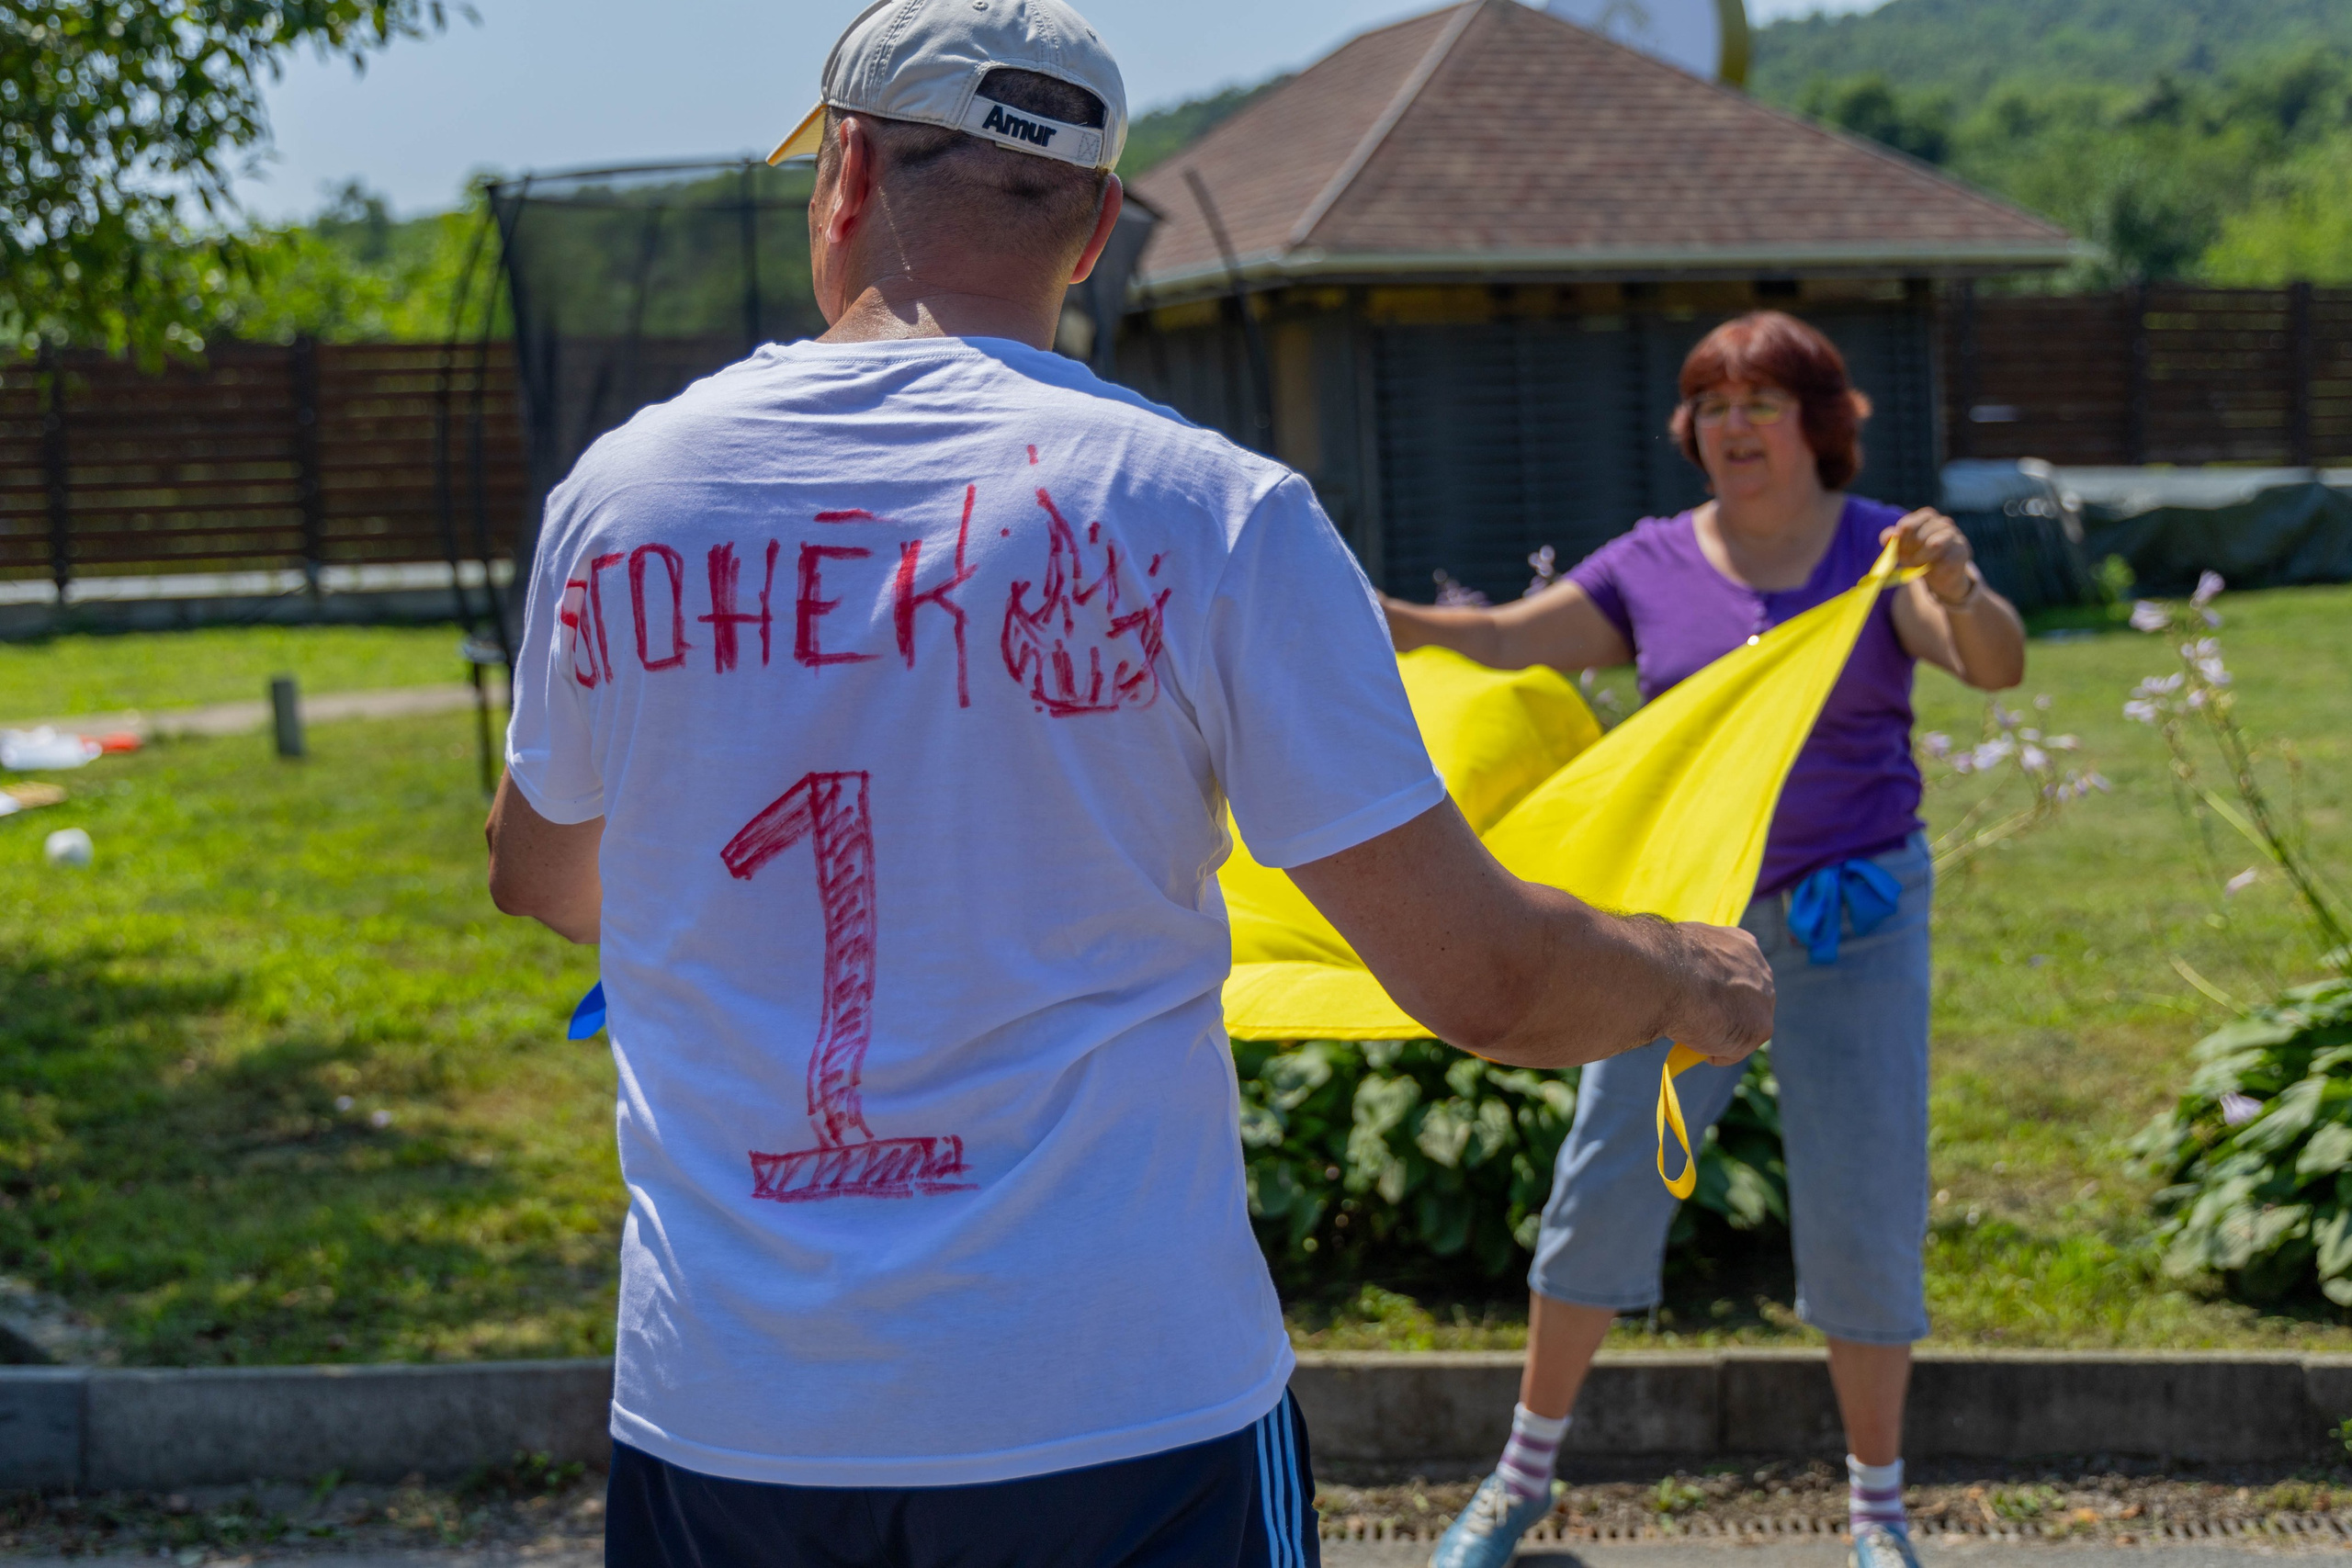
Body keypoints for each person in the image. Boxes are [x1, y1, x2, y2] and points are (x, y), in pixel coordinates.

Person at [482, 4, 1775, 1564]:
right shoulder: (1214, 512)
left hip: (733, 1415)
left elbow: (548, 880)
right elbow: (1482, 980)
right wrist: (1687, 978)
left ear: (842, 175)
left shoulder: (622, 500)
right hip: (1113, 1409)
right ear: (1094, 228)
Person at [1385, 311, 2026, 1568]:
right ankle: (1518, 1482)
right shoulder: (1652, 564)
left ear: (1818, 424)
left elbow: (1992, 665)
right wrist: (1369, 613)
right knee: (1604, 1183)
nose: (1734, 425)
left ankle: (1879, 1513)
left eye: (1762, 401)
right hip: (1686, 934)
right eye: (1713, 403)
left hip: (1860, 922)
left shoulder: (1880, 555)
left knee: (1864, 1202)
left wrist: (1957, 581)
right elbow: (1512, 638)